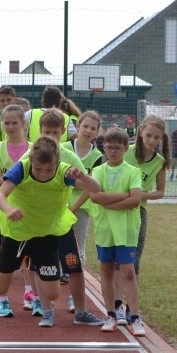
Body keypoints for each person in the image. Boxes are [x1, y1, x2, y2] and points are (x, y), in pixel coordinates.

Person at [0, 137, 100, 327]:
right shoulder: (22, 168)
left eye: (48, 169)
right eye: (38, 169)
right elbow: (0, 195)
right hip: (17, 233)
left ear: (56, 163)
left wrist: (84, 177)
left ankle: (43, 298)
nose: (43, 174)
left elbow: (96, 189)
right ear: (32, 161)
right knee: (0, 287)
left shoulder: (64, 171)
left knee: (53, 294)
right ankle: (11, 291)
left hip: (45, 234)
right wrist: (9, 209)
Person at [81, 127, 144, 335]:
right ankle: (111, 314)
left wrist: (110, 201)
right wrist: (122, 196)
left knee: (127, 271)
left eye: (118, 148)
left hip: (126, 230)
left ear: (126, 148)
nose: (113, 151)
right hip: (104, 229)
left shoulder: (132, 172)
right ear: (104, 147)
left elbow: (135, 200)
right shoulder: (98, 171)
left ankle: (134, 317)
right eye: (109, 147)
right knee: (106, 270)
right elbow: (95, 197)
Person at [112, 115, 168, 325]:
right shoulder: (126, 153)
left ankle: (131, 308)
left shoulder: (159, 162)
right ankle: (116, 305)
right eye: (148, 135)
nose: (151, 140)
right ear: (140, 130)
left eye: (156, 137)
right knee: (117, 262)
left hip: (138, 213)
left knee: (133, 262)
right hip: (117, 209)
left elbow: (160, 192)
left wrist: (139, 195)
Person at [0, 105, 36, 306]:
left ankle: (29, 291)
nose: (11, 127)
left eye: (15, 123)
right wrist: (17, 183)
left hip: (27, 208)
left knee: (29, 252)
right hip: (2, 209)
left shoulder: (33, 150)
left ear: (24, 124)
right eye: (7, 123)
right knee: (5, 251)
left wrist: (12, 183)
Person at [64, 110, 104, 267]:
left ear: (97, 132)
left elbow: (91, 188)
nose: (88, 130)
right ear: (78, 126)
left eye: (93, 128)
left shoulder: (96, 156)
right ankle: (60, 274)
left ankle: (77, 280)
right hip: (60, 203)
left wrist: (73, 208)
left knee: (78, 246)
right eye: (85, 126)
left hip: (82, 207)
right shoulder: (64, 148)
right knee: (57, 243)